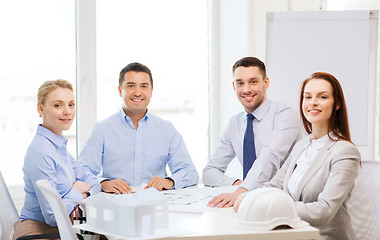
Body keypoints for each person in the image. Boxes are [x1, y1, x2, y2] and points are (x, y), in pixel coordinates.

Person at [234, 72, 360, 240]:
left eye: (322, 97)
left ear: (336, 104)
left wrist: (271, 208)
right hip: (293, 233)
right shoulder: (302, 145)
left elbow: (324, 211)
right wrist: (248, 197)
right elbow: (275, 186)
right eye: (307, 97)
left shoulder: (344, 152)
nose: (313, 102)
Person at [79, 62, 199, 194]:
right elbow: (82, 172)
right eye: (131, 86)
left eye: (144, 86)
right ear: (120, 90)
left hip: (155, 206)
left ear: (151, 91)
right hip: (115, 205)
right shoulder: (102, 129)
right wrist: (103, 183)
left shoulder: (166, 129)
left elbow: (190, 173)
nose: (137, 92)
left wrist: (169, 181)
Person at [204, 57, 301, 208]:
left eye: (253, 82)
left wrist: (242, 190)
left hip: (286, 202)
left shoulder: (286, 116)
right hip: (248, 203)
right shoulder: (234, 124)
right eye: (240, 83)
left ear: (266, 83)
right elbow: (209, 172)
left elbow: (269, 158)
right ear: (233, 86)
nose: (246, 89)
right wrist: (237, 184)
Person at [13, 80, 101, 240]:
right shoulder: (42, 151)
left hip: (61, 228)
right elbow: (52, 216)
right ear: (40, 108)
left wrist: (84, 193)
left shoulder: (59, 147)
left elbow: (93, 181)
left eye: (71, 104)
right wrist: (75, 193)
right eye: (58, 105)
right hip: (37, 231)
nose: (67, 111)